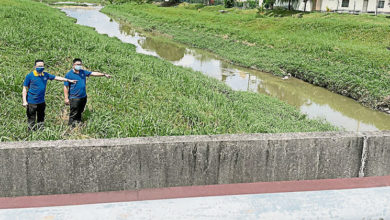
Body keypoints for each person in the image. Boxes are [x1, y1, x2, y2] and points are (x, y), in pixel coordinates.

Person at [22, 59, 77, 130]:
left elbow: (56, 77)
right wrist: (24, 101)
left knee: (41, 118)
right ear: (35, 66)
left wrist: (68, 80)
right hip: (31, 102)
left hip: (41, 102)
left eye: (42, 66)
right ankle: (31, 135)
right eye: (39, 66)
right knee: (31, 119)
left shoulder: (45, 75)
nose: (41, 67)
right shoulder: (30, 76)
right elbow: (24, 89)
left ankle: (41, 132)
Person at [64, 58, 111, 127]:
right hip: (74, 98)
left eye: (80, 64)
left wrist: (104, 74)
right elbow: (65, 87)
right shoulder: (69, 75)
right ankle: (71, 127)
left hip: (83, 96)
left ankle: (78, 123)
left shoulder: (83, 72)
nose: (79, 66)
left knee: (80, 111)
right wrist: (66, 98)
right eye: (77, 64)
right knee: (73, 113)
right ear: (73, 65)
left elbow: (93, 73)